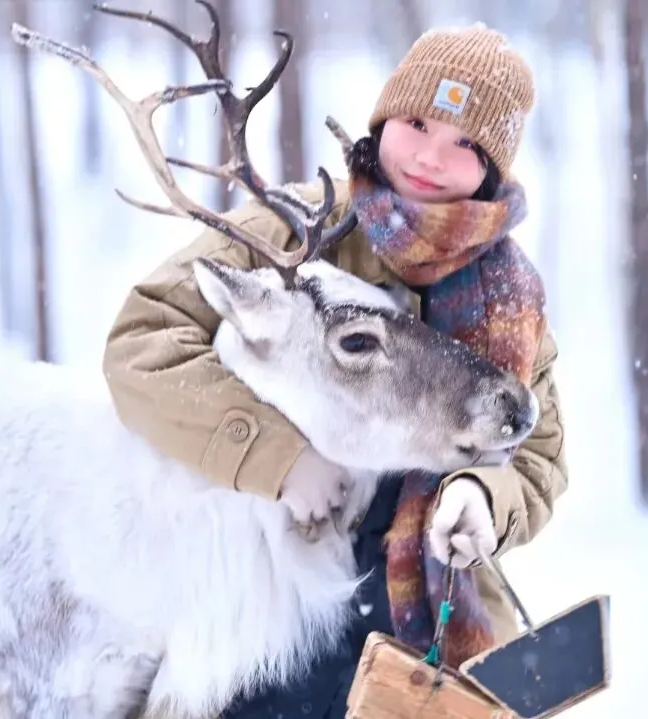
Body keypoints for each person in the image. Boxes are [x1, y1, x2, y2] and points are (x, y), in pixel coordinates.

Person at [102, 23, 568, 719]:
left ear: (493, 170)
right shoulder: (291, 231)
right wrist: (273, 456)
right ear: (383, 120)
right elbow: (143, 343)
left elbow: (536, 452)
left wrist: (482, 495)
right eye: (417, 123)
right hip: (264, 577)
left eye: (466, 143)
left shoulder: (507, 299)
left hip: (412, 592)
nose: (433, 158)